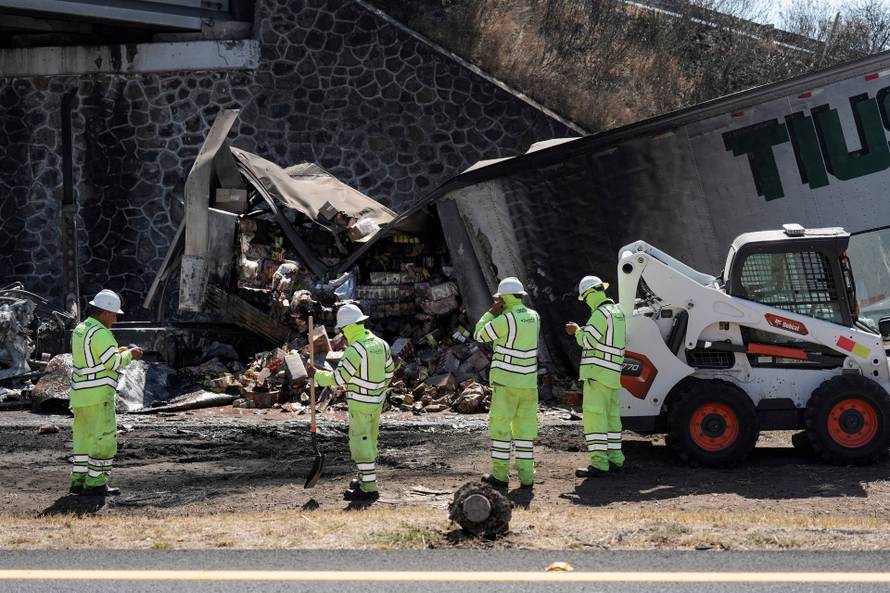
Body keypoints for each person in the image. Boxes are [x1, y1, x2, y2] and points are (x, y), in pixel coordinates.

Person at [308, 304, 395, 502]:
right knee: (370, 440)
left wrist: (316, 375)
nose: (343, 334)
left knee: (360, 444)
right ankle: (365, 479)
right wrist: (377, 391)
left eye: (343, 330)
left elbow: (339, 378)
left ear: (348, 327)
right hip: (377, 402)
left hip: (360, 404)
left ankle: (369, 489)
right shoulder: (381, 344)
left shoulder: (355, 350)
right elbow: (389, 372)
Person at [69, 289, 143, 496]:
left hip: (80, 396)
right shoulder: (101, 333)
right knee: (103, 439)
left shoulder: (81, 329)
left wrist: (118, 351)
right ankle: (96, 483)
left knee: (83, 439)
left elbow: (93, 358)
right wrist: (131, 355)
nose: (115, 320)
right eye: (114, 315)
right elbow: (113, 363)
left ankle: (78, 482)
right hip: (98, 395)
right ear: (105, 312)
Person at [473, 277, 540, 491]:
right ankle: (527, 477)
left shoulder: (505, 320)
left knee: (501, 429)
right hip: (528, 384)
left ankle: (500, 476)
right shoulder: (534, 317)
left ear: (504, 298)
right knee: (525, 431)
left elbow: (479, 335)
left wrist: (490, 313)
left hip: (506, 383)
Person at [565, 275, 626, 477]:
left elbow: (588, 341)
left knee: (595, 418)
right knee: (612, 419)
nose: (585, 302)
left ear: (590, 294)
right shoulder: (617, 312)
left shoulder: (600, 314)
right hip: (613, 375)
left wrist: (576, 331)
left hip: (597, 375)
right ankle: (616, 459)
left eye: (585, 298)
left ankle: (599, 464)